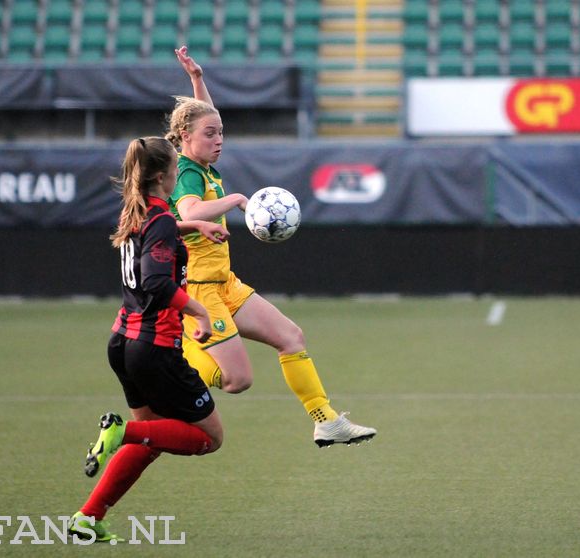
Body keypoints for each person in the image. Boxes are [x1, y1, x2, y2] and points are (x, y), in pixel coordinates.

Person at [167, 46, 377, 447]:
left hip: (224, 283)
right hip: (197, 292)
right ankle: (180, 358)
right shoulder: (186, 172)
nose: (219, 139)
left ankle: (326, 420)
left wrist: (197, 79)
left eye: (222, 133)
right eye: (211, 134)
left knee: (291, 336)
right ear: (184, 138)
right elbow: (192, 209)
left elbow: (204, 117)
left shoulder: (204, 162)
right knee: (237, 381)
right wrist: (237, 200)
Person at [69, 136, 227, 542]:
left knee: (153, 438)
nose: (179, 174)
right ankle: (120, 432)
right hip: (154, 346)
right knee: (208, 438)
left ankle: (88, 517)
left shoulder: (137, 211)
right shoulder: (157, 220)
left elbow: (159, 233)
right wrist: (200, 311)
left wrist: (193, 225)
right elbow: (156, 281)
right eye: (176, 168)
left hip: (122, 341)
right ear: (163, 175)